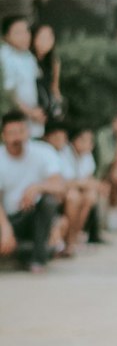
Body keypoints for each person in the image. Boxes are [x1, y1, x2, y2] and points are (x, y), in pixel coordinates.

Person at [0, 108, 66, 272]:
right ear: (3, 136)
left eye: (21, 131)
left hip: (31, 217)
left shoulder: (43, 152)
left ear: (28, 132)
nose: (17, 137)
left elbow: (60, 187)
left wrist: (37, 187)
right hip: (6, 218)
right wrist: (5, 229)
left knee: (49, 200)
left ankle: (38, 258)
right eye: (12, 133)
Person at [42, 116, 94, 256]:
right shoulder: (44, 152)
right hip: (49, 194)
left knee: (87, 196)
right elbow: (65, 182)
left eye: (63, 135)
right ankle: (68, 241)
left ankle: (72, 239)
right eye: (56, 135)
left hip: (60, 192)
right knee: (73, 197)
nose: (61, 139)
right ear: (47, 137)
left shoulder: (63, 151)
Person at [0, 17, 45, 134]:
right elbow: (8, 93)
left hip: (33, 118)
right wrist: (31, 113)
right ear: (6, 36)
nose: (25, 36)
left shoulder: (28, 56)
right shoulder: (4, 57)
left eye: (26, 31)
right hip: (13, 120)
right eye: (18, 32)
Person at [31, 22, 65, 123]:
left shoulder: (54, 62)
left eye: (50, 37)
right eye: (42, 37)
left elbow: (55, 88)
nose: (47, 41)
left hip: (46, 109)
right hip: (30, 107)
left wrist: (58, 108)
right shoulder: (27, 60)